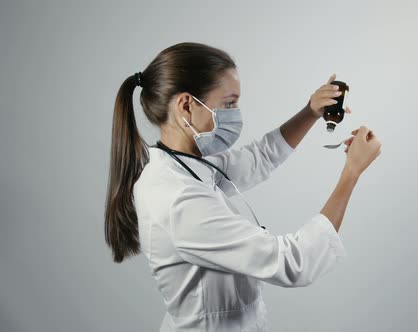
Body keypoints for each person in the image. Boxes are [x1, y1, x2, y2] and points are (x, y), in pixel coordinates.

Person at [104, 42, 382, 332]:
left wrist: (310, 112)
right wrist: (352, 172)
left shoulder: (185, 164)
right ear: (187, 105)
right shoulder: (176, 198)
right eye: (229, 103)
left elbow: (260, 156)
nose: (236, 114)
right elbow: (294, 263)